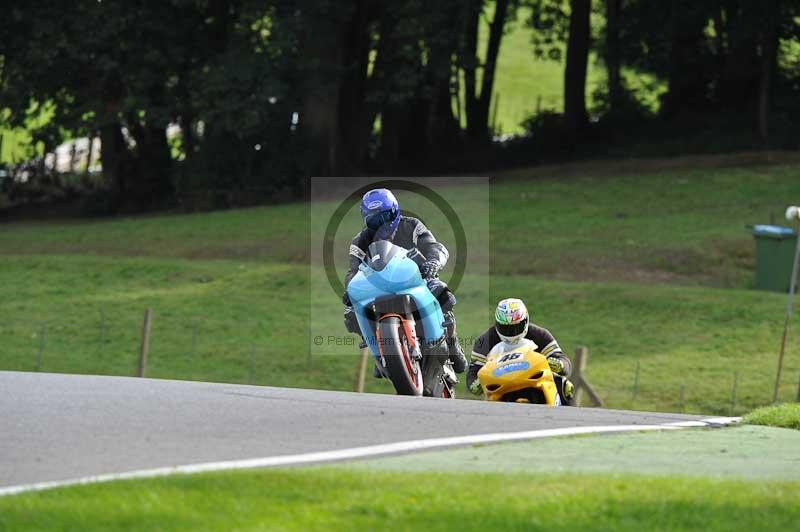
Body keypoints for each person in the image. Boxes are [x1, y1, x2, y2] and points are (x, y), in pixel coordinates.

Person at [342, 188, 467, 374]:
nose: (381, 225)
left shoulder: (412, 225)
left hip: (417, 281)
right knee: (351, 313)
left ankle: (452, 342)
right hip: (379, 288)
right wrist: (350, 289)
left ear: (396, 211)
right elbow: (353, 270)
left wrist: (433, 262)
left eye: (385, 217)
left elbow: (434, 246)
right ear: (366, 221)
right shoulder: (360, 241)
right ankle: (380, 351)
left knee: (442, 293)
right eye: (374, 221)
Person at [467, 298, 574, 403]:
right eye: (505, 327)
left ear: (526, 320)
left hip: (536, 381)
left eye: (517, 326)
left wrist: (559, 364)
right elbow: (473, 372)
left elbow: (563, 360)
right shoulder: (484, 340)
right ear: (497, 323)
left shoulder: (540, 334)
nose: (511, 333)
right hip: (501, 385)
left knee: (564, 385)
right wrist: (476, 383)